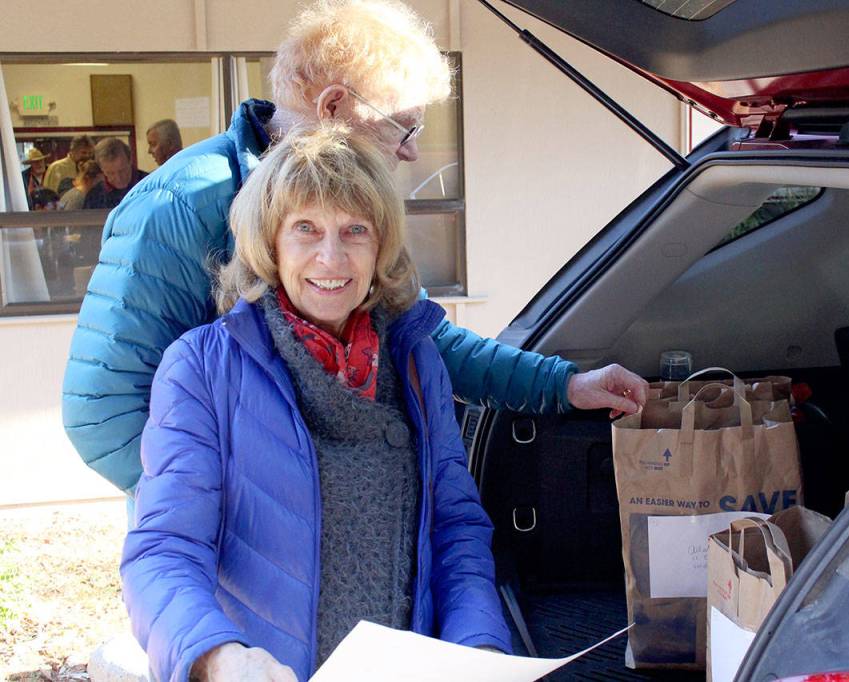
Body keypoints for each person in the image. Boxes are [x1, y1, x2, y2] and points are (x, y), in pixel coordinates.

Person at [63, 0, 648, 498]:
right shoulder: (182, 205)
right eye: (404, 126)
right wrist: (229, 512)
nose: (412, 152)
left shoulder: (356, 204)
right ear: (336, 107)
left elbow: (423, 337)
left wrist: (563, 386)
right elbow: (104, 415)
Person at [121, 125, 511, 682]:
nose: (332, 257)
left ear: (381, 247)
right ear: (270, 242)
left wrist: (479, 649)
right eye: (306, 228)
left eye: (355, 230)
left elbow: (456, 530)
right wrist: (217, 656)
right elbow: (164, 549)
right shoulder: (203, 367)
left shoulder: (415, 361)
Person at [82, 137, 147, 209]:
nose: (118, 178)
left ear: (130, 160)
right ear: (101, 169)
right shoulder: (95, 197)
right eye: (110, 173)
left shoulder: (151, 185)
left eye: (122, 171)